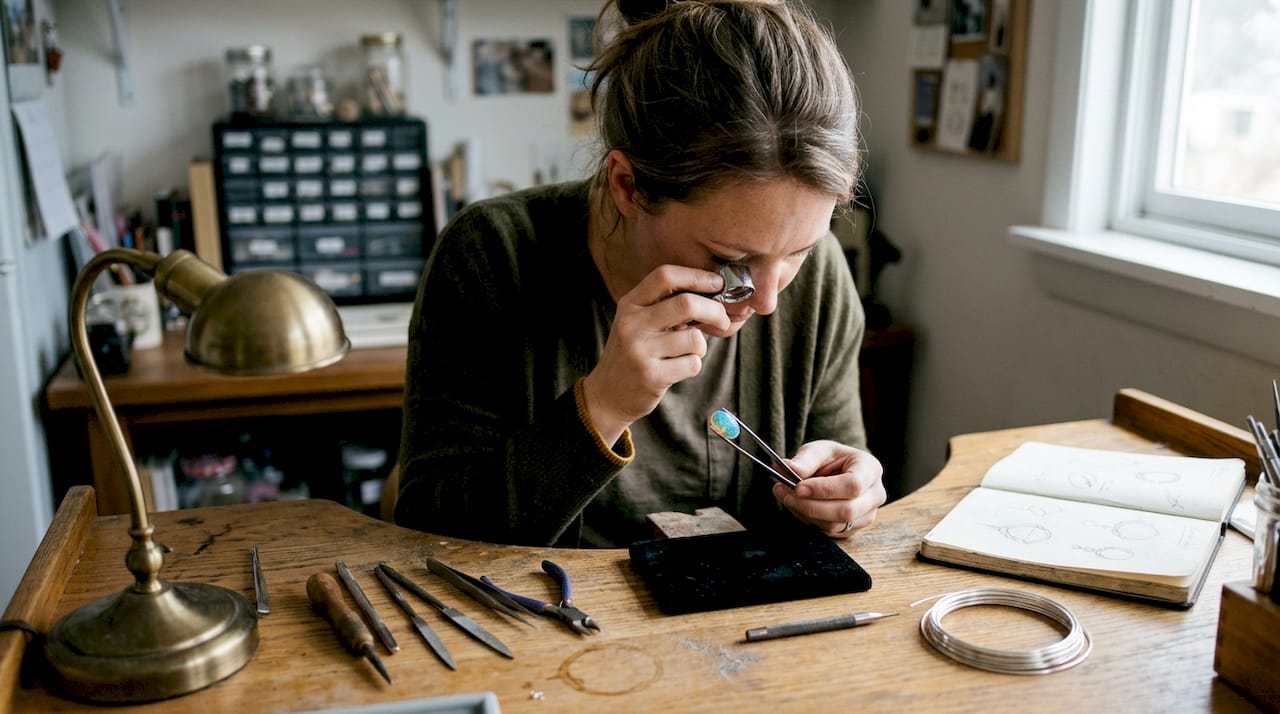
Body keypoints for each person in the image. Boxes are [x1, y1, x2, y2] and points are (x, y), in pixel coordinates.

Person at [395, 0, 886, 547]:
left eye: (799, 250)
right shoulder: (491, 255)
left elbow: (840, 479)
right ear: (628, 186)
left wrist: (845, 497)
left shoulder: (821, 282)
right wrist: (601, 407)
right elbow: (427, 532)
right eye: (732, 257)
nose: (768, 300)